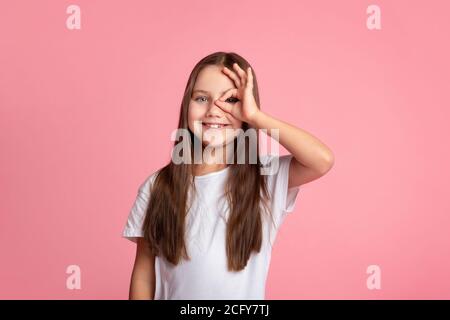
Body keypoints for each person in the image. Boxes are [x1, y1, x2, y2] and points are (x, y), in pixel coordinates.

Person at [122, 51, 334, 299]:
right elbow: (144, 275)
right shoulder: (156, 186)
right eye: (202, 98)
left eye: (230, 100)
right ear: (186, 105)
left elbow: (321, 160)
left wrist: (256, 117)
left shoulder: (265, 177)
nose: (214, 110)